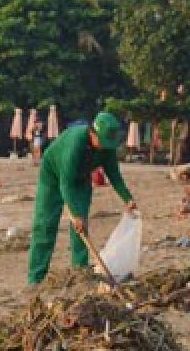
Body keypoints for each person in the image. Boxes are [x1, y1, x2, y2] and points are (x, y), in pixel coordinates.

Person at [27, 111, 138, 285]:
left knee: (81, 228)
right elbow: (65, 183)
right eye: (102, 142)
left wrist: (127, 199)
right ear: (92, 133)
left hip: (81, 178)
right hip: (53, 175)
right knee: (45, 225)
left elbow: (114, 176)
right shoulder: (75, 143)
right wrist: (75, 213)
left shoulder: (107, 150)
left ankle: (80, 271)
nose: (104, 147)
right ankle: (35, 278)